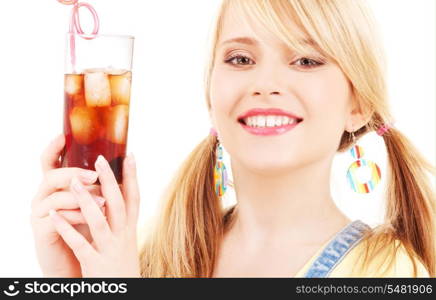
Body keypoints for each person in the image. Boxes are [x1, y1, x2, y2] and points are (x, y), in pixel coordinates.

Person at [31, 0, 435, 278]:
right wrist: (73, 280)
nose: (265, 83)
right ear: (211, 97)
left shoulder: (387, 271)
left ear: (358, 105)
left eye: (306, 60)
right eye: (240, 59)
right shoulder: (149, 257)